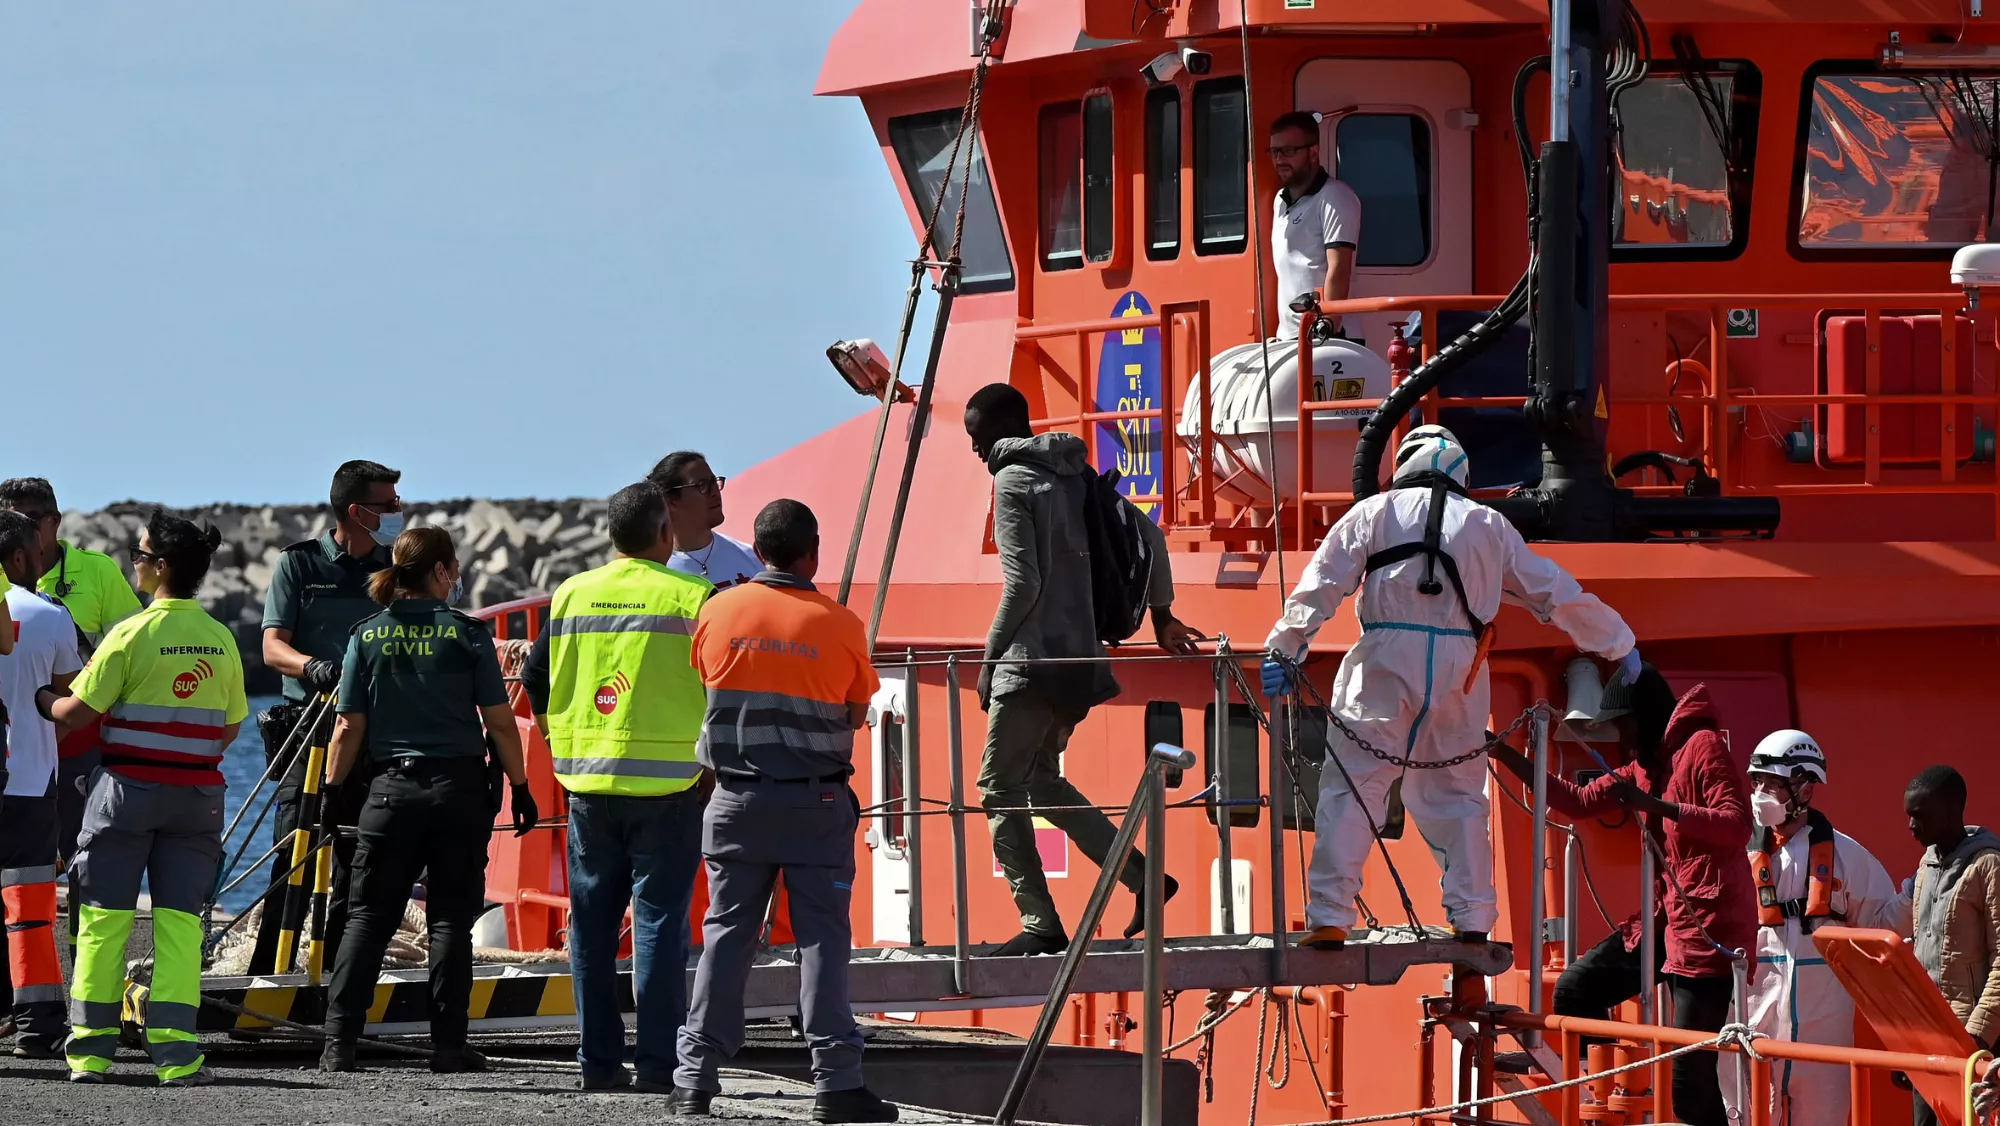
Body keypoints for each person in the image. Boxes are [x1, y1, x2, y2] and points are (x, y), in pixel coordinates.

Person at [1264, 424, 1638, 949]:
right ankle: (1474, 918)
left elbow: (1321, 583)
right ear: (1461, 473)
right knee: (1459, 795)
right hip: (1461, 669)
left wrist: (1285, 647)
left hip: (1384, 660)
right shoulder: (1489, 524)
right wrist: (1619, 644)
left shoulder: (1373, 513)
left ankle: (1329, 916)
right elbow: (1552, 591)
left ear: (1405, 465)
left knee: (1354, 786)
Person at [671, 500, 896, 1123]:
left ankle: (694, 1080)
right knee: (822, 937)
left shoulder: (717, 610)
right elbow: (857, 709)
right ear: (812, 553)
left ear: (760, 551)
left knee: (726, 935)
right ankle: (837, 1085)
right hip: (814, 803)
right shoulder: (840, 623)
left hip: (734, 800)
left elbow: (706, 681)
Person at [963, 382, 1205, 957]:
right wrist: (1163, 617)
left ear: (1001, 429)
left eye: (977, 435)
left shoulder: (1012, 480)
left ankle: (1040, 922)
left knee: (998, 788)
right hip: (1080, 662)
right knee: (1042, 781)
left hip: (1031, 665)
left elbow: (1022, 584)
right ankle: (1143, 878)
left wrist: (990, 660)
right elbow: (1151, 535)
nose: (974, 448)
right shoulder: (1076, 474)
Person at [1490, 670, 1754, 1126]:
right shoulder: (1644, 765)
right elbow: (1576, 802)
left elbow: (1737, 825)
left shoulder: (1703, 746)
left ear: (1646, 717)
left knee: (1690, 1087)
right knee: (1575, 991)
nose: (1621, 738)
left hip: (1709, 930)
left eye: (1623, 725)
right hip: (1666, 920)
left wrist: (1656, 807)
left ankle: (1647, 1094)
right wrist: (1501, 752)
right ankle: (1623, 1091)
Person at [318, 526, 536, 1074]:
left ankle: (338, 1045)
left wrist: (332, 790)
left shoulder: (367, 636)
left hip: (390, 793)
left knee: (368, 917)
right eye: (454, 565)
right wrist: (521, 786)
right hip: (458, 794)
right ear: (440, 571)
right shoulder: (467, 635)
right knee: (449, 922)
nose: (458, 574)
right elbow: (500, 724)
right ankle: (449, 1047)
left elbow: (348, 727)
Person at [39, 509, 246, 1086]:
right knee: (180, 927)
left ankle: (90, 1053)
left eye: (139, 554)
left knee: (104, 921)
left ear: (160, 567)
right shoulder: (221, 638)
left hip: (126, 794)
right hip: (197, 797)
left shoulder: (130, 634)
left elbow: (75, 712)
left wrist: (39, 699)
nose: (133, 562)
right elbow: (230, 728)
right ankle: (177, 1054)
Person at [539, 481, 710, 1091]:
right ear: (665, 532)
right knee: (659, 926)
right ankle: (659, 1066)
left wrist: (562, 744)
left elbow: (540, 680)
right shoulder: (694, 596)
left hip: (587, 783)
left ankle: (597, 1065)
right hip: (669, 787)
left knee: (589, 929)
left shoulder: (570, 593)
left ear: (612, 535)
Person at [249, 459, 398, 976]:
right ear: (357, 511)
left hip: (375, 734)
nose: (398, 511)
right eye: (388, 504)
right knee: (295, 848)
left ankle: (341, 973)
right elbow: (272, 647)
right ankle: (268, 973)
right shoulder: (300, 564)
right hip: (309, 729)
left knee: (361, 858)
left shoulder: (396, 566)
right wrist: (313, 667)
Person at [1724, 729, 1906, 1126]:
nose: (1760, 794)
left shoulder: (1850, 858)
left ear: (1804, 789)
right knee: (1742, 1117)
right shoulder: (1734, 854)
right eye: (1757, 782)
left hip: (1824, 1031)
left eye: (1773, 784)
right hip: (1751, 1022)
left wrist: (1915, 894)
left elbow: (1879, 927)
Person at [0, 477, 136, 872]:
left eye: (26, 519)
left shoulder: (98, 572)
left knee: (83, 861)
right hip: (15, 754)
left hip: (79, 747)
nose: (15, 528)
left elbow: (131, 654)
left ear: (54, 522)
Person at [0, 510, 80, 1057]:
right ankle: (38, 1024)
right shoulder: (50, 615)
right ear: (19, 557)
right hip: (28, 782)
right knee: (28, 910)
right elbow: (71, 700)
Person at [1905, 765, 2000, 1126]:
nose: (1911, 826)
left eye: (1919, 815)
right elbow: (1920, 959)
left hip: (1975, 1047)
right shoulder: (1926, 865)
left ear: (1950, 810)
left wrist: (1977, 1036)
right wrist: (1906, 1043)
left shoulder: (1989, 865)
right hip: (1927, 1042)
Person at [1267, 110, 1361, 342]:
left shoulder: (1335, 196)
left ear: (1313, 152)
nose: (1279, 159)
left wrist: (1328, 326)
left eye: (1289, 151)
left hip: (1329, 337)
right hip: (1291, 337)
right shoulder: (1280, 200)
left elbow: (1339, 269)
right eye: (1274, 151)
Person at [650, 451, 762, 592]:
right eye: (702, 485)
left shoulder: (752, 558)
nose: (715, 492)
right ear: (671, 501)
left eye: (714, 482)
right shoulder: (656, 574)